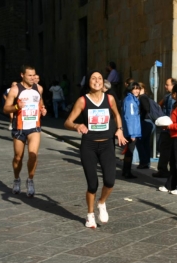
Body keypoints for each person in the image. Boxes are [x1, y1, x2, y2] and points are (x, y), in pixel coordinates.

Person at [64, 70, 127, 228]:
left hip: (107, 145)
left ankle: (101, 202)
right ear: (89, 82)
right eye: (93, 78)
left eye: (99, 78)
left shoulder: (110, 98)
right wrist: (77, 125)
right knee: (92, 184)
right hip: (89, 145)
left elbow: (117, 115)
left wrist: (119, 129)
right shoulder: (82, 101)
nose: (97, 81)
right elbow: (67, 122)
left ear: (103, 82)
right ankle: (90, 214)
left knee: (110, 181)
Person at [3, 65, 47, 197]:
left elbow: (40, 102)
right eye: (30, 75)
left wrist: (42, 109)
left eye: (34, 75)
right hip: (19, 128)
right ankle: (17, 179)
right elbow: (5, 109)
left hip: (34, 127)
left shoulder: (39, 88)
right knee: (18, 157)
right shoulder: (15, 90)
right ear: (22, 75)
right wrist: (16, 106)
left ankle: (30, 180)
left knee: (33, 155)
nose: (33, 78)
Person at [152, 77, 177, 178]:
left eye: (167, 85)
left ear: (173, 86)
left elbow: (171, 113)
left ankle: (163, 170)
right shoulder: (168, 96)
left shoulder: (171, 98)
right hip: (168, 127)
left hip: (168, 128)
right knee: (165, 149)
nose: (165, 86)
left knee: (165, 149)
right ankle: (164, 169)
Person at [121, 82, 141, 178]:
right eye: (135, 88)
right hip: (132, 130)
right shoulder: (130, 100)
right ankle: (126, 171)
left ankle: (126, 170)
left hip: (132, 129)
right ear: (130, 89)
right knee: (129, 152)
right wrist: (132, 133)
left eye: (138, 88)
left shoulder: (132, 99)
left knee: (129, 152)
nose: (137, 90)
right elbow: (130, 117)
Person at [135, 82, 155, 169]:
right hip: (149, 122)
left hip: (145, 121)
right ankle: (146, 162)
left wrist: (140, 114)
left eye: (137, 89)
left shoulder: (142, 97)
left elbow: (146, 109)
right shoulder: (146, 97)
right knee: (145, 143)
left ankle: (143, 162)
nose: (135, 91)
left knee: (140, 142)